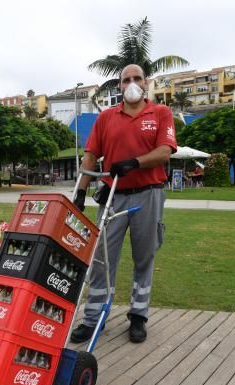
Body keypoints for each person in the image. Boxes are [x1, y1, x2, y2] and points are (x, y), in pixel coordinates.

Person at [70, 64, 177, 344]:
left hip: (148, 194)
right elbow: (91, 155)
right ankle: (94, 318)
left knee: (144, 257)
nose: (131, 83)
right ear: (119, 86)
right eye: (126, 79)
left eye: (136, 78)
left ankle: (138, 316)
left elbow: (165, 151)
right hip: (113, 196)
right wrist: (81, 191)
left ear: (146, 83)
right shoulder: (106, 117)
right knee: (102, 258)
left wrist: (134, 163)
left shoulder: (161, 113)